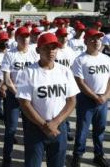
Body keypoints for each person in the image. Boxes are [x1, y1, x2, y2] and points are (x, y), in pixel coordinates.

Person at [16, 33, 79, 167]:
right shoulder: (27, 72)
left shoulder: (65, 71)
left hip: (59, 127)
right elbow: (24, 103)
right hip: (35, 127)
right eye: (47, 48)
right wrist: (44, 125)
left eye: (54, 48)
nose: (51, 51)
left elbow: (71, 100)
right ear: (38, 50)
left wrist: (55, 123)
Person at [71, 28, 110, 167]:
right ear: (86, 41)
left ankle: (98, 155)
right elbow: (80, 82)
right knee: (82, 130)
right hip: (86, 100)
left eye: (98, 39)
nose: (96, 42)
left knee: (100, 130)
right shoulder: (80, 60)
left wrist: (105, 96)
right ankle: (77, 156)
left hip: (103, 100)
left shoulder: (106, 58)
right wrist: (95, 96)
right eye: (93, 39)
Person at [1, 26, 39, 167]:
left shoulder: (35, 54)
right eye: (22, 37)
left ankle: (29, 160)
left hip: (31, 98)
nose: (25, 39)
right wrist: (17, 93)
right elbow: (6, 78)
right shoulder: (10, 54)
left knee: (30, 130)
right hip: (14, 96)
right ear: (16, 39)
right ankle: (7, 158)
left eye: (27, 36)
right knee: (11, 129)